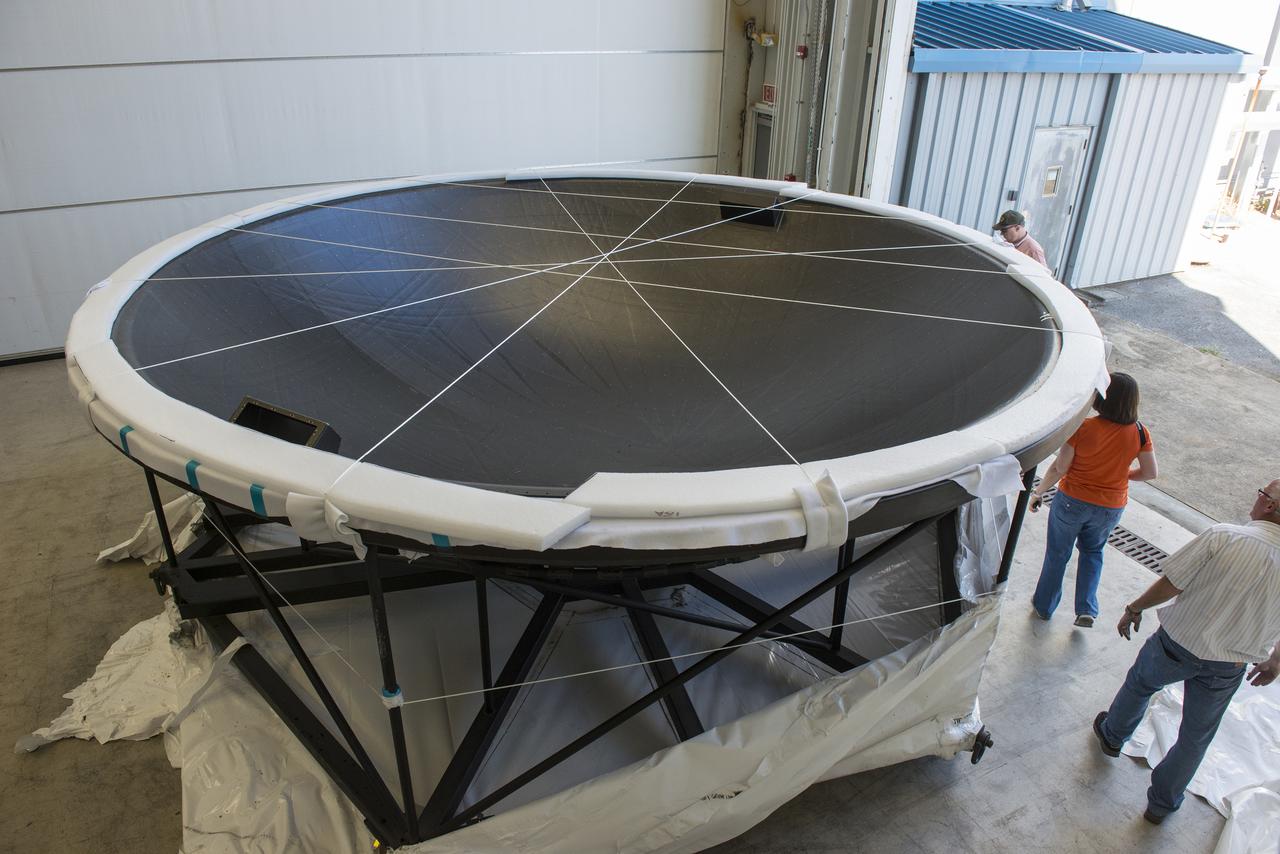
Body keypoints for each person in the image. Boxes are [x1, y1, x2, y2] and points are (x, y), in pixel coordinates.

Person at [1092, 480, 1280, 824]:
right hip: (1230, 664)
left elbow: (1173, 581)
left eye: (1261, 494)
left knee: (1140, 686)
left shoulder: (1225, 536)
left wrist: (1135, 607)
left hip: (1177, 645)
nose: (1256, 498)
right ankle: (1161, 804)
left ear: (1269, 506)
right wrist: (1275, 660)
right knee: (1196, 736)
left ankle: (1113, 736)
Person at [1029, 372, 1158, 626]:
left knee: (1058, 553)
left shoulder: (1083, 427)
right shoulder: (1141, 432)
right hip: (1110, 507)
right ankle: (1086, 609)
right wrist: (1123, 474)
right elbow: (1150, 472)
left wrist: (1039, 492)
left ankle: (1044, 607)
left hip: (1072, 501)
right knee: (1093, 551)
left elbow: (1061, 467)